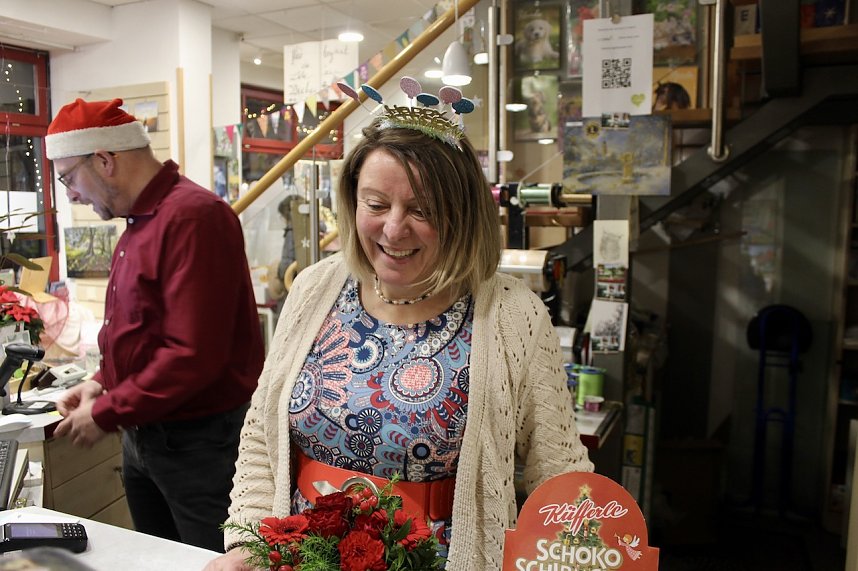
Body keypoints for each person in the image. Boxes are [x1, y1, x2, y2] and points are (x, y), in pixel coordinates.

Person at [204, 99, 593, 571]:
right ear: (352, 202)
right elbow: (262, 441)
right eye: (376, 204)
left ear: (462, 215)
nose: (393, 228)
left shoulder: (513, 316)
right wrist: (247, 546)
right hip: (299, 558)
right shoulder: (314, 288)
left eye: (421, 209)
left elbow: (560, 477)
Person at [45, 98, 265, 552]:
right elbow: (141, 333)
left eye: (67, 178)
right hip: (145, 437)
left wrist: (106, 413)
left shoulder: (192, 217)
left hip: (198, 446)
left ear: (105, 160)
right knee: (159, 558)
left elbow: (192, 354)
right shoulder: (138, 226)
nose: (69, 194)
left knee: (210, 560)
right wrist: (101, 383)